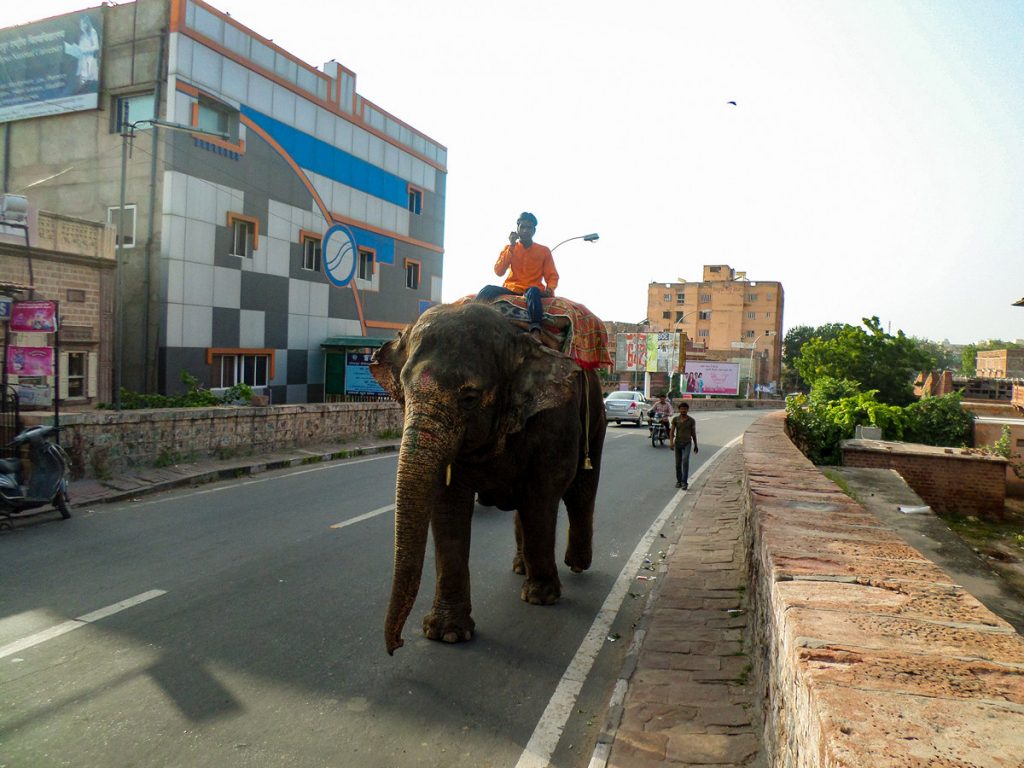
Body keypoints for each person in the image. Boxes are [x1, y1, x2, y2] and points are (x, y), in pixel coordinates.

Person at [476, 212, 558, 334]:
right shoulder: (509, 248)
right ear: (517, 229)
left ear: (534, 231)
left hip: (531, 290)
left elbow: (552, 275)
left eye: (529, 228)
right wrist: (512, 246)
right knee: (487, 289)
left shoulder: (544, 251)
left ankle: (535, 329)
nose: (525, 231)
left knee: (533, 291)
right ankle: (471, 315)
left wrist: (550, 289)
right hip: (511, 288)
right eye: (522, 227)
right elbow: (499, 271)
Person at [668, 401, 698, 489]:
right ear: (679, 410)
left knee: (685, 461)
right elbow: (672, 431)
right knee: (678, 464)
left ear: (687, 410)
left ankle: (684, 482)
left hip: (687, 443)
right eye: (681, 409)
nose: (683, 411)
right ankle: (679, 481)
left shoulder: (691, 420)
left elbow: (693, 433)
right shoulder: (675, 419)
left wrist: (696, 445)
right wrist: (671, 442)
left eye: (685, 409)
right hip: (677, 443)